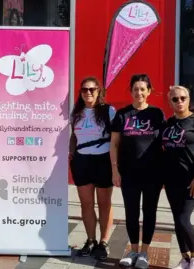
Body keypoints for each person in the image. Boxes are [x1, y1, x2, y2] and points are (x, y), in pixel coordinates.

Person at [109, 74, 165, 269]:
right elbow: (114, 144)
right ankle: (133, 250)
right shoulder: (122, 115)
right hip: (129, 173)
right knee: (131, 213)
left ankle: (144, 253)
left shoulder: (157, 114)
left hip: (153, 174)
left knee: (149, 213)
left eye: (143, 89)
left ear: (149, 91)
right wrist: (115, 171)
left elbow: (165, 145)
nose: (139, 92)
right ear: (130, 91)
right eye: (135, 89)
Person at [161, 86, 194, 269]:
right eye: (175, 99)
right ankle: (185, 258)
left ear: (189, 99)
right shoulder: (168, 124)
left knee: (184, 218)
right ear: (170, 102)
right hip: (171, 179)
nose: (179, 101)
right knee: (177, 219)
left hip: (193, 180)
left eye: (183, 98)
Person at [69, 77, 115, 260]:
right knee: (86, 203)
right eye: (84, 89)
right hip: (82, 161)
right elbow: (74, 135)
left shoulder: (108, 111)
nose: (88, 92)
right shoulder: (76, 111)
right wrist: (72, 151)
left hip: (103, 160)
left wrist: (115, 162)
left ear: (99, 91)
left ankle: (104, 241)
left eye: (92, 89)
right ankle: (90, 240)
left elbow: (116, 138)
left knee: (104, 204)